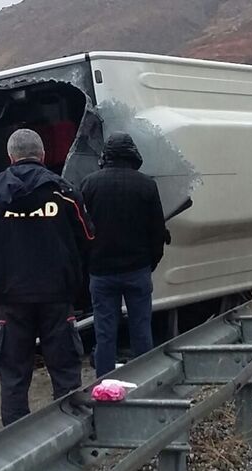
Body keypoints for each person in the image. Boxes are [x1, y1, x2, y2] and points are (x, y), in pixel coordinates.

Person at [0, 129, 94, 425]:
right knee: (64, 368)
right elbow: (87, 235)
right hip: (56, 294)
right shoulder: (62, 190)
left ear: (10, 157)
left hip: (12, 295)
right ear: (43, 156)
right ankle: (71, 428)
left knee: (13, 371)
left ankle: (15, 436)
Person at [80, 133, 166, 377]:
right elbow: (157, 230)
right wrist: (151, 262)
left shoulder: (88, 184)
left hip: (101, 272)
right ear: (133, 155)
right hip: (137, 269)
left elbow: (82, 229)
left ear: (106, 156)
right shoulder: (147, 185)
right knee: (141, 329)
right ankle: (145, 380)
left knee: (105, 332)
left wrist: (89, 263)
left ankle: (105, 384)